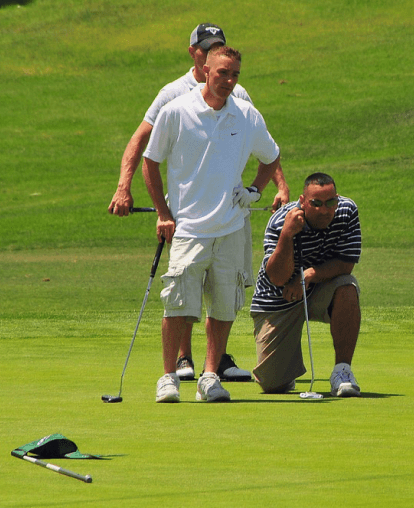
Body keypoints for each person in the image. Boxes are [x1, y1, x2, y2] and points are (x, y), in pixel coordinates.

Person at [109, 23, 290, 383]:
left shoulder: (242, 102)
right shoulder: (173, 99)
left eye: (233, 72)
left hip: (230, 219)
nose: (228, 78)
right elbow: (146, 146)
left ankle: (213, 367)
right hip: (189, 219)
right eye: (213, 57)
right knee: (181, 298)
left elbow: (265, 146)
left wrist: (267, 187)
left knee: (224, 298)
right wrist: (125, 188)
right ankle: (179, 363)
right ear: (198, 57)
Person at [142, 45, 282, 402]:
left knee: (223, 308)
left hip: (231, 228)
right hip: (189, 228)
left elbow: (271, 156)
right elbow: (151, 162)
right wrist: (163, 213)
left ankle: (208, 376)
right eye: (223, 73)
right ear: (205, 69)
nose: (229, 81)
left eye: (235, 74)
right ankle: (168, 376)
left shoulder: (247, 115)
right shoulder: (176, 111)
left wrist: (254, 190)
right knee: (178, 307)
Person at [249, 173, 363, 397]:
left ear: (336, 199)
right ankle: (283, 372)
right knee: (273, 385)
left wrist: (309, 275)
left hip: (318, 287)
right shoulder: (282, 220)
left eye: (330, 202)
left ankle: (342, 372)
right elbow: (278, 278)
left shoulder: (347, 211)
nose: (324, 210)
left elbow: (346, 263)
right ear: (303, 201)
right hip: (279, 298)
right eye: (316, 203)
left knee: (347, 286)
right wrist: (287, 235)